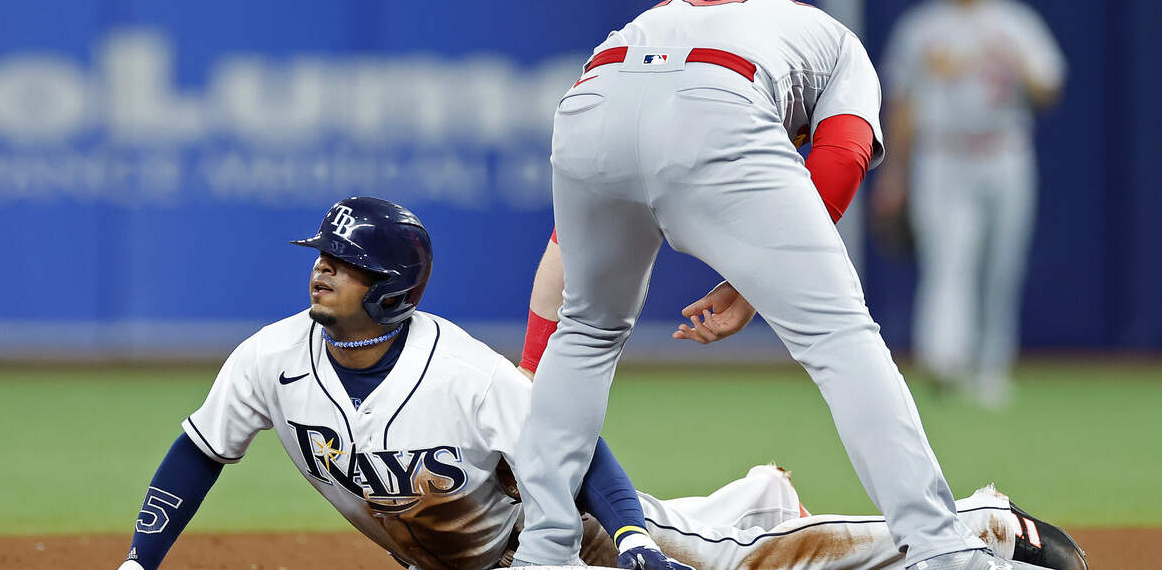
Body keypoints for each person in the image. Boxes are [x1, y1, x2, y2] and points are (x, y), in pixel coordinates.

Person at [114, 195, 1086, 570]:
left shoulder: (458, 371)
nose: (321, 270)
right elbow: (197, 454)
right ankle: (752, 499)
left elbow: (573, 455)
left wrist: (624, 535)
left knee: (733, 564)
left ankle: (981, 531)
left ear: (395, 287)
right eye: (321, 256)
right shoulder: (268, 361)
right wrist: (136, 565)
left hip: (556, 535)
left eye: (345, 261)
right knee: (718, 533)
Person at [509, 0, 1047, 570]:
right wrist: (753, 286)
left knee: (587, 330)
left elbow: (564, 258)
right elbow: (840, 157)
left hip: (590, 101)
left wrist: (529, 375)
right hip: (716, 99)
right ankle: (943, 553)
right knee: (840, 337)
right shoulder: (845, 52)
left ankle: (543, 554)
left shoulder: (686, 20)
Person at [872, 0, 1066, 407]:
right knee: (947, 259)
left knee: (1001, 265)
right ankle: (944, 358)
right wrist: (894, 173)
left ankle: (990, 368)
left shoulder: (1016, 23)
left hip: (1004, 152)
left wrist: (1015, 63)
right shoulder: (922, 27)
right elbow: (904, 104)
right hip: (943, 155)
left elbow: (1049, 88)